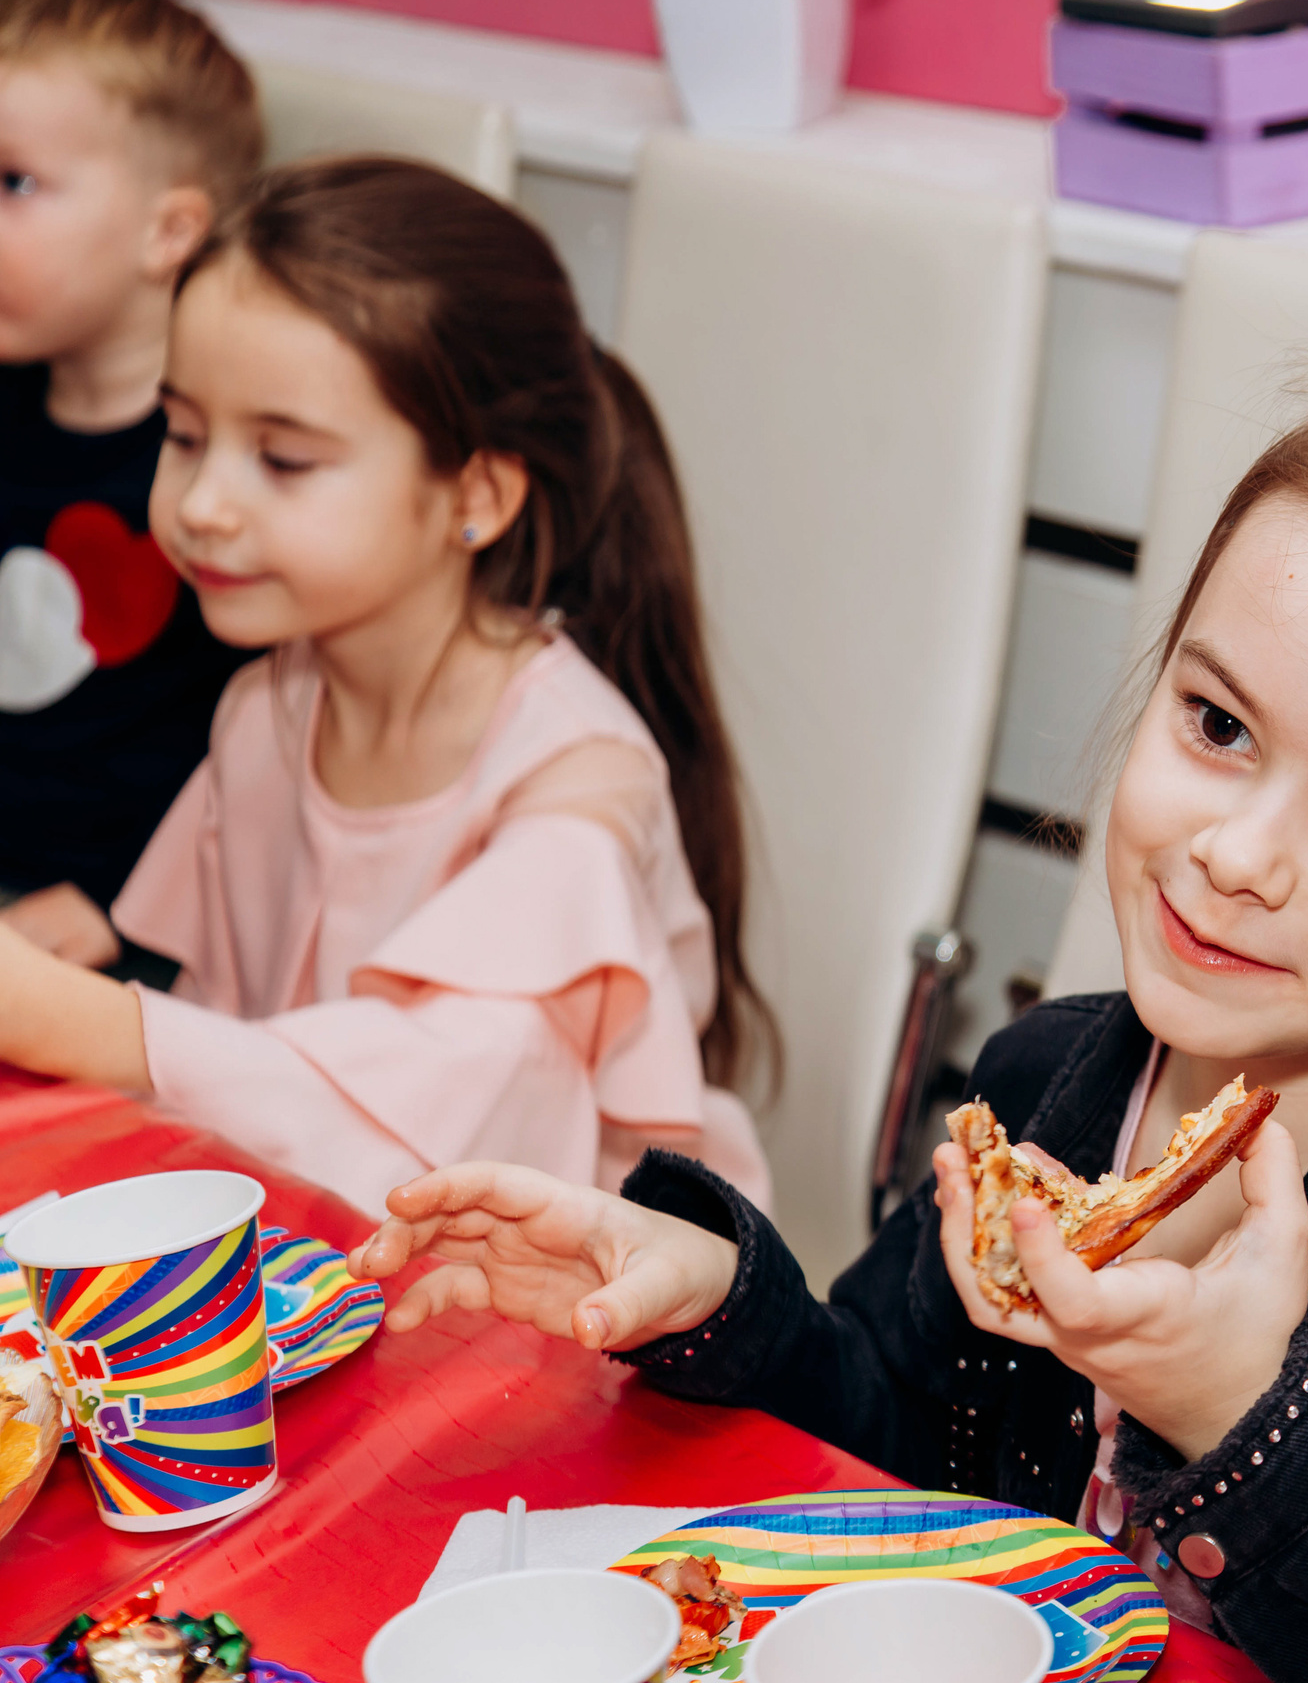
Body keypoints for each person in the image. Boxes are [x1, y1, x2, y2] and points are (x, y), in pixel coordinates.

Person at [351, 339, 1308, 1681]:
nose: (1235, 853)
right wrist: (716, 1294)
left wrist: (1255, 1419)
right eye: (1219, 722)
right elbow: (892, 1437)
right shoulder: (1056, 1087)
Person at [0, 157, 774, 1217]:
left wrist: (67, 1016)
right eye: (183, 435)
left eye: (283, 458)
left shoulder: (576, 784)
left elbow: (460, 1119)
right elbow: (229, 1073)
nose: (204, 503)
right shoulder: (264, 712)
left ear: (478, 494)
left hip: (565, 1323)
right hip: (328, 1257)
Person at [0, 0, 260, 978]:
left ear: (168, 233)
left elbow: (275, 754)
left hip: (136, 932)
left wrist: (126, 905)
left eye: (14, 183)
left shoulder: (229, 475)